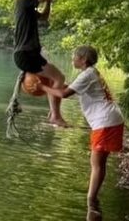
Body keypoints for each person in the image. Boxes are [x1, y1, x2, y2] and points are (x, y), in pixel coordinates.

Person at [53, 46, 124, 210]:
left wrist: (42, 88)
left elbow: (64, 94)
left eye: (74, 57)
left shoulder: (87, 75)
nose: (72, 59)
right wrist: (51, 84)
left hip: (105, 122)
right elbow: (69, 88)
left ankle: (91, 201)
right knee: (100, 163)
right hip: (111, 119)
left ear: (83, 60)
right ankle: (93, 200)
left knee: (96, 163)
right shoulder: (91, 73)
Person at [12, 0, 67, 127]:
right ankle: (55, 116)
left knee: (54, 79)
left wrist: (47, 2)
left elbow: (44, 17)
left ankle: (53, 114)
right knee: (59, 78)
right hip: (27, 54)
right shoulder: (24, 1)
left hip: (26, 54)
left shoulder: (26, 6)